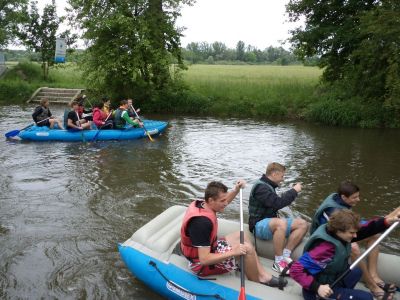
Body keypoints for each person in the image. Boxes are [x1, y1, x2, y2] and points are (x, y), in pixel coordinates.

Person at [180, 180, 288, 289]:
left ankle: (262, 275)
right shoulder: (202, 223)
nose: (226, 203)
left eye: (225, 199)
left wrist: (236, 190)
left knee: (242, 236)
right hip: (199, 265)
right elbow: (204, 260)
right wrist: (233, 252)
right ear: (211, 200)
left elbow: (224, 201)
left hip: (211, 249)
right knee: (246, 250)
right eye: (223, 200)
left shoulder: (204, 204)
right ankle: (256, 284)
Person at [310, 181, 397, 297]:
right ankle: (373, 286)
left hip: (338, 234)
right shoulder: (335, 212)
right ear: (343, 197)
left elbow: (362, 227)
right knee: (354, 248)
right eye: (355, 197)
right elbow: (356, 229)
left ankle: (374, 277)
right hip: (328, 240)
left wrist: (389, 219)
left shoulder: (338, 199)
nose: (358, 199)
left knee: (374, 236)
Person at [290, 208, 400, 300]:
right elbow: (295, 270)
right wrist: (318, 287)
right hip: (317, 291)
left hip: (332, 278)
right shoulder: (325, 248)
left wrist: (387, 221)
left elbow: (367, 227)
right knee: (366, 297)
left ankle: (343, 294)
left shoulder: (341, 234)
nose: (355, 236)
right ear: (339, 231)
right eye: (352, 233)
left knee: (357, 271)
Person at [248, 162, 308, 274]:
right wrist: (294, 191)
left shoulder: (268, 186)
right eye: (282, 176)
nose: (283, 179)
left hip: (270, 223)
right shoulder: (260, 187)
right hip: (258, 225)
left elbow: (276, 202)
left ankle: (286, 255)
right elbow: (277, 203)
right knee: (281, 223)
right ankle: (278, 262)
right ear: (274, 174)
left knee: (303, 224)